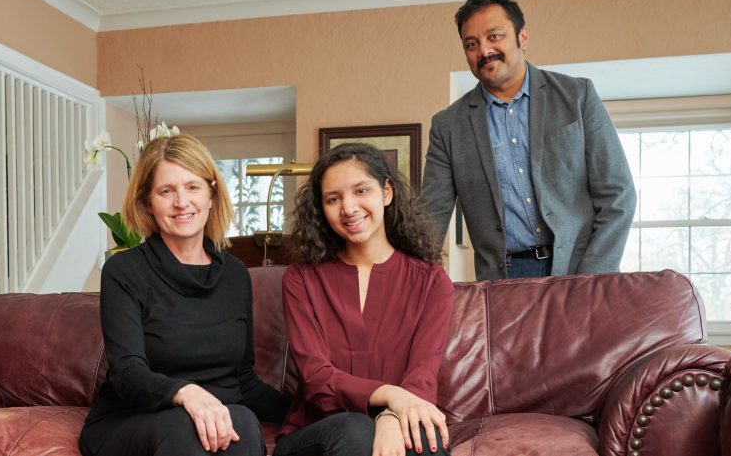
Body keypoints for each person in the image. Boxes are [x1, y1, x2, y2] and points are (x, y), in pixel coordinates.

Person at [79, 133, 289, 456]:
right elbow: (128, 374)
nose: (181, 202)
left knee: (243, 423)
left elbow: (243, 380)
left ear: (211, 195)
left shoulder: (235, 275)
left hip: (214, 421)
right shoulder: (124, 272)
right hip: (132, 420)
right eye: (167, 190)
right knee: (187, 428)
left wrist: (312, 410)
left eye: (193, 187)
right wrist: (187, 393)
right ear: (148, 202)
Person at [420, 0, 636, 281]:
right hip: (501, 280)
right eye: (471, 44)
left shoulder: (577, 96)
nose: (484, 50)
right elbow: (429, 221)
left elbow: (618, 195)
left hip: (579, 269)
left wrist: (591, 277)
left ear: (522, 37)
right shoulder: (448, 125)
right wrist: (414, 286)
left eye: (494, 36)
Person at [274, 143, 454, 456]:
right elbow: (317, 379)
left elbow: (422, 376)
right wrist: (390, 397)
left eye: (361, 191)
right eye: (333, 198)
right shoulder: (300, 279)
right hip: (316, 433)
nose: (349, 208)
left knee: (427, 441)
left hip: (397, 420)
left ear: (386, 192)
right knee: (356, 431)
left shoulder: (432, 282)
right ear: (322, 208)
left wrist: (389, 415)